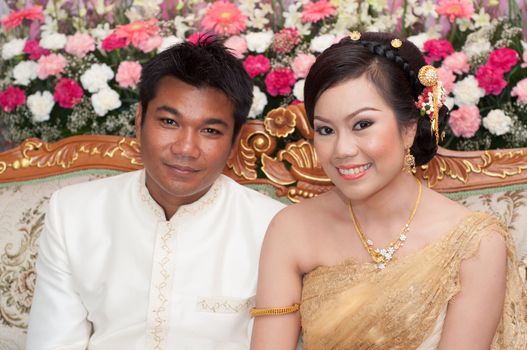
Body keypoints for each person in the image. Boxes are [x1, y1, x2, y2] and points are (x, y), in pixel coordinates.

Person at [250, 32, 527, 349]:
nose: (341, 150)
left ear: (408, 128)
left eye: (362, 125)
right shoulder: (291, 229)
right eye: (325, 130)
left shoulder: (475, 244)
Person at [27, 37, 285, 349]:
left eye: (210, 131)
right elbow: (54, 343)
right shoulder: (74, 213)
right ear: (139, 122)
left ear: (234, 143)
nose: (186, 148)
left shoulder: (273, 228)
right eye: (169, 121)